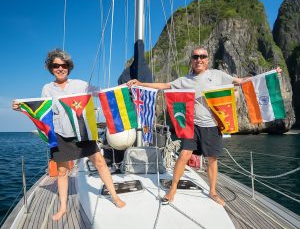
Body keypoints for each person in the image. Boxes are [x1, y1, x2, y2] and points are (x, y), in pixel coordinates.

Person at [127, 46, 281, 206]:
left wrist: (271, 74)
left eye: (202, 56)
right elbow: (164, 86)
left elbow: (241, 81)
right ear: (191, 60)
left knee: (211, 159)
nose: (199, 59)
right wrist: (140, 83)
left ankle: (213, 191)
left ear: (207, 60)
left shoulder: (217, 75)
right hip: (191, 124)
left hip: (212, 125)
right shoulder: (184, 80)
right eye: (195, 57)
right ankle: (173, 188)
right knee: (184, 154)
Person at [12, 49, 125, 220]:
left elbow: (101, 93)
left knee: (100, 163)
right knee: (62, 171)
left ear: (68, 67)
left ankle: (115, 196)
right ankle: (63, 207)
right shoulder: (47, 89)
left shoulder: (80, 84)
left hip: (82, 132)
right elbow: (42, 112)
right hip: (60, 135)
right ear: (51, 68)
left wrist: (123, 88)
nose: (60, 68)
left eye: (63, 65)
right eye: (56, 65)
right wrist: (21, 108)